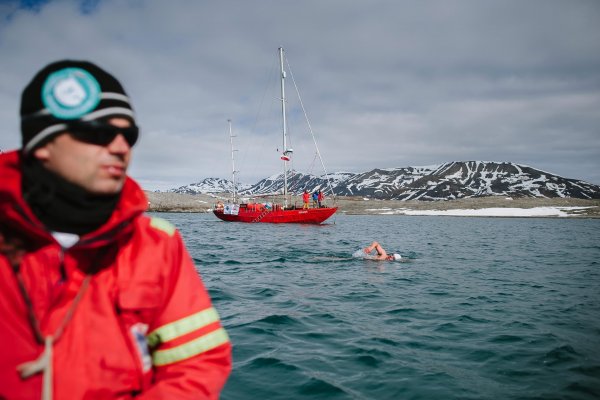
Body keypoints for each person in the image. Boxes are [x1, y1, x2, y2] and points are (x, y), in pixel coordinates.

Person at [0, 60, 231, 399]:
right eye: (98, 132)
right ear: (42, 142)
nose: (122, 147)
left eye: (129, 135)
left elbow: (197, 363)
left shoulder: (156, 243)